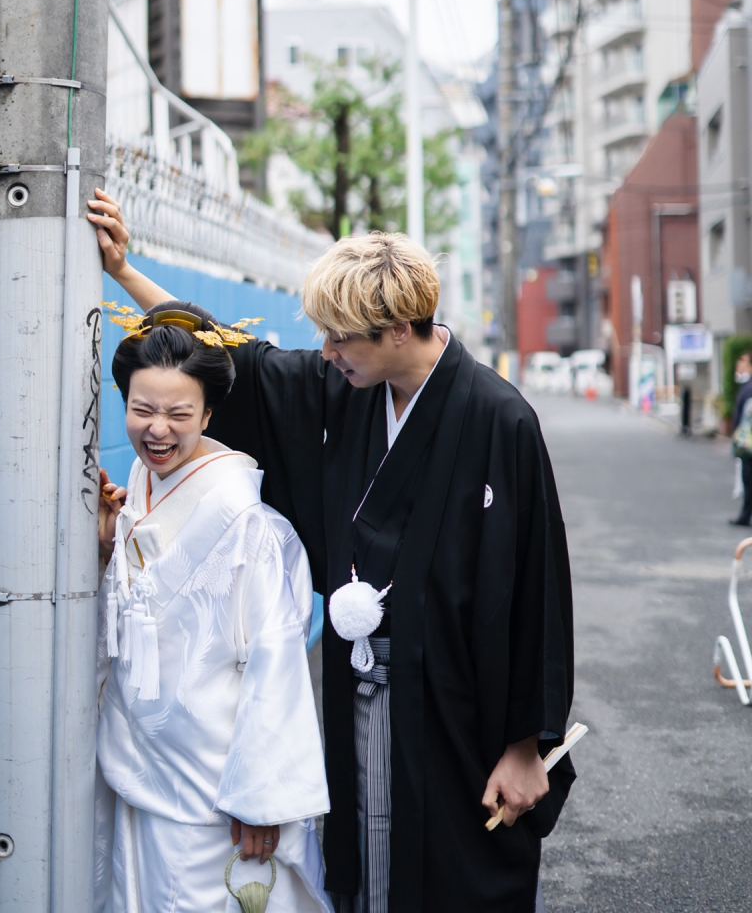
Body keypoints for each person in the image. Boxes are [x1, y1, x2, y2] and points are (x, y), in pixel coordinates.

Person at [89, 190, 575, 913]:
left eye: (341, 339)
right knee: (364, 858)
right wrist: (127, 273)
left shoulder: (499, 418)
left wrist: (528, 744)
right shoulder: (347, 388)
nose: (325, 353)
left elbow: (539, 585)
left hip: (459, 702)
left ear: (400, 328)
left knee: (457, 866)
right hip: (363, 680)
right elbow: (233, 359)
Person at [94, 296, 332, 913]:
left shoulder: (251, 525)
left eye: (178, 413)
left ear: (208, 411)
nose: (157, 429)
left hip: (215, 789)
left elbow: (276, 666)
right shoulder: (139, 492)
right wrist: (102, 551)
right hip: (137, 766)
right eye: (141, 410)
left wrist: (261, 800)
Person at [729, 352, 752, 527]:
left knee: (749, 479)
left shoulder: (750, 386)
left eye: (743, 361)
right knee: (747, 479)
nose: (739, 364)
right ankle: (745, 514)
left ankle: (745, 515)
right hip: (745, 441)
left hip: (748, 442)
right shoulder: (746, 385)